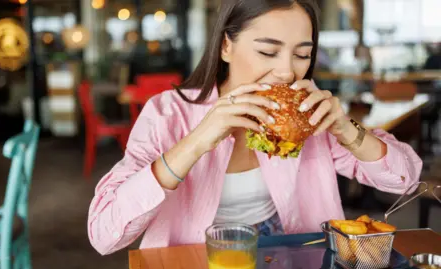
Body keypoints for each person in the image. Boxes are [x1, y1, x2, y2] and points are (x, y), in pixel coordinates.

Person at [88, 0, 422, 255]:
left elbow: (404, 179)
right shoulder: (166, 113)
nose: (286, 72)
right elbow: (105, 234)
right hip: (195, 255)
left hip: (289, 252)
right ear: (226, 47)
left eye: (302, 55)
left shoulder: (308, 117)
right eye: (268, 51)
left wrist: (345, 128)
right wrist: (198, 141)